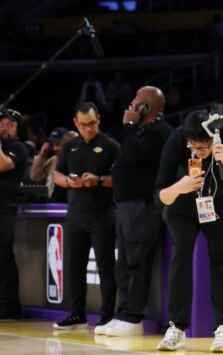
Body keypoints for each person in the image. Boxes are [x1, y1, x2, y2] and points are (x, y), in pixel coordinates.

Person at [155, 109, 223, 352]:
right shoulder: (176, 139)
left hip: (220, 204)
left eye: (203, 147)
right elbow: (159, 195)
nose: (198, 151)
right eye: (193, 147)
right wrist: (179, 187)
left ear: (214, 137)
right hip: (183, 206)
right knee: (181, 255)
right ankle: (176, 327)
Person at [100, 86, 172, 337]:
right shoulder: (141, 130)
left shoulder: (160, 131)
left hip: (143, 206)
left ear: (146, 107)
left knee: (136, 261)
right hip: (126, 205)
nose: (131, 104)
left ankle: (133, 317)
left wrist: (128, 125)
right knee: (123, 263)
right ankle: (121, 313)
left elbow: (132, 153)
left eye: (136, 100)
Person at [52, 102, 120, 330]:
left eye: (91, 124)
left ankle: (107, 316)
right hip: (75, 214)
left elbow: (121, 179)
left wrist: (98, 180)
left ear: (98, 119)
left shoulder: (111, 146)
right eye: (83, 125)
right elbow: (56, 174)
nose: (88, 129)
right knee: (74, 266)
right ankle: (77, 314)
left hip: (102, 214)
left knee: (105, 267)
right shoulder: (70, 146)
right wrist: (68, 181)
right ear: (75, 123)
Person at [0, 109, 30, 319]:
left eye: (10, 125)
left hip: (5, 209)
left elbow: (2, 164)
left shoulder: (19, 148)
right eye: (2, 124)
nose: (5, 128)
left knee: (3, 256)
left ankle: (9, 307)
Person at [29, 127, 77, 201]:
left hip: (69, 202)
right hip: (52, 203)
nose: (55, 148)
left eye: (58, 144)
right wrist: (42, 154)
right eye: (53, 145)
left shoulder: (76, 159)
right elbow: (35, 176)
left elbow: (76, 181)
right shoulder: (53, 160)